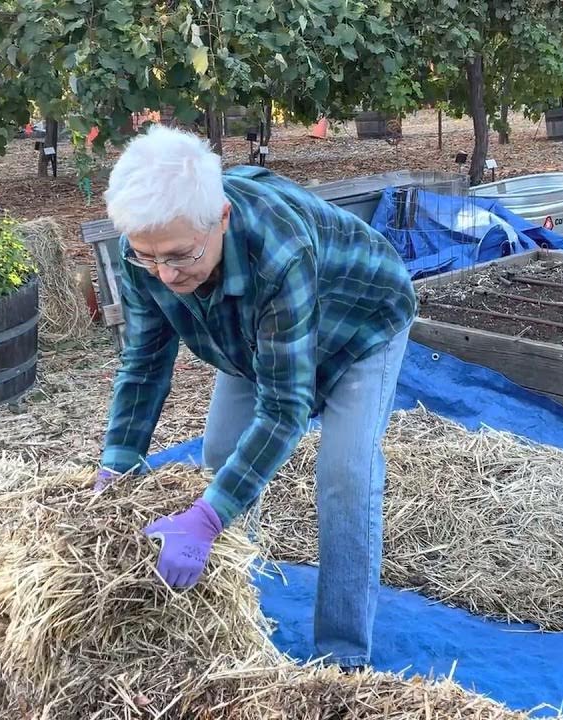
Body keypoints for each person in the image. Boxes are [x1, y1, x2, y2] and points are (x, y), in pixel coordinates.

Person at [95, 124, 415, 671]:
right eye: (149, 259)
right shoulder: (144, 248)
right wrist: (117, 464)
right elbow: (145, 363)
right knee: (220, 453)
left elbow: (286, 406)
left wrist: (210, 517)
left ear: (219, 217)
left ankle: (341, 658)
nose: (165, 274)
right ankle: (236, 615)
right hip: (255, 332)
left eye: (178, 255)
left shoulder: (278, 250)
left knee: (346, 474)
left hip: (360, 323)